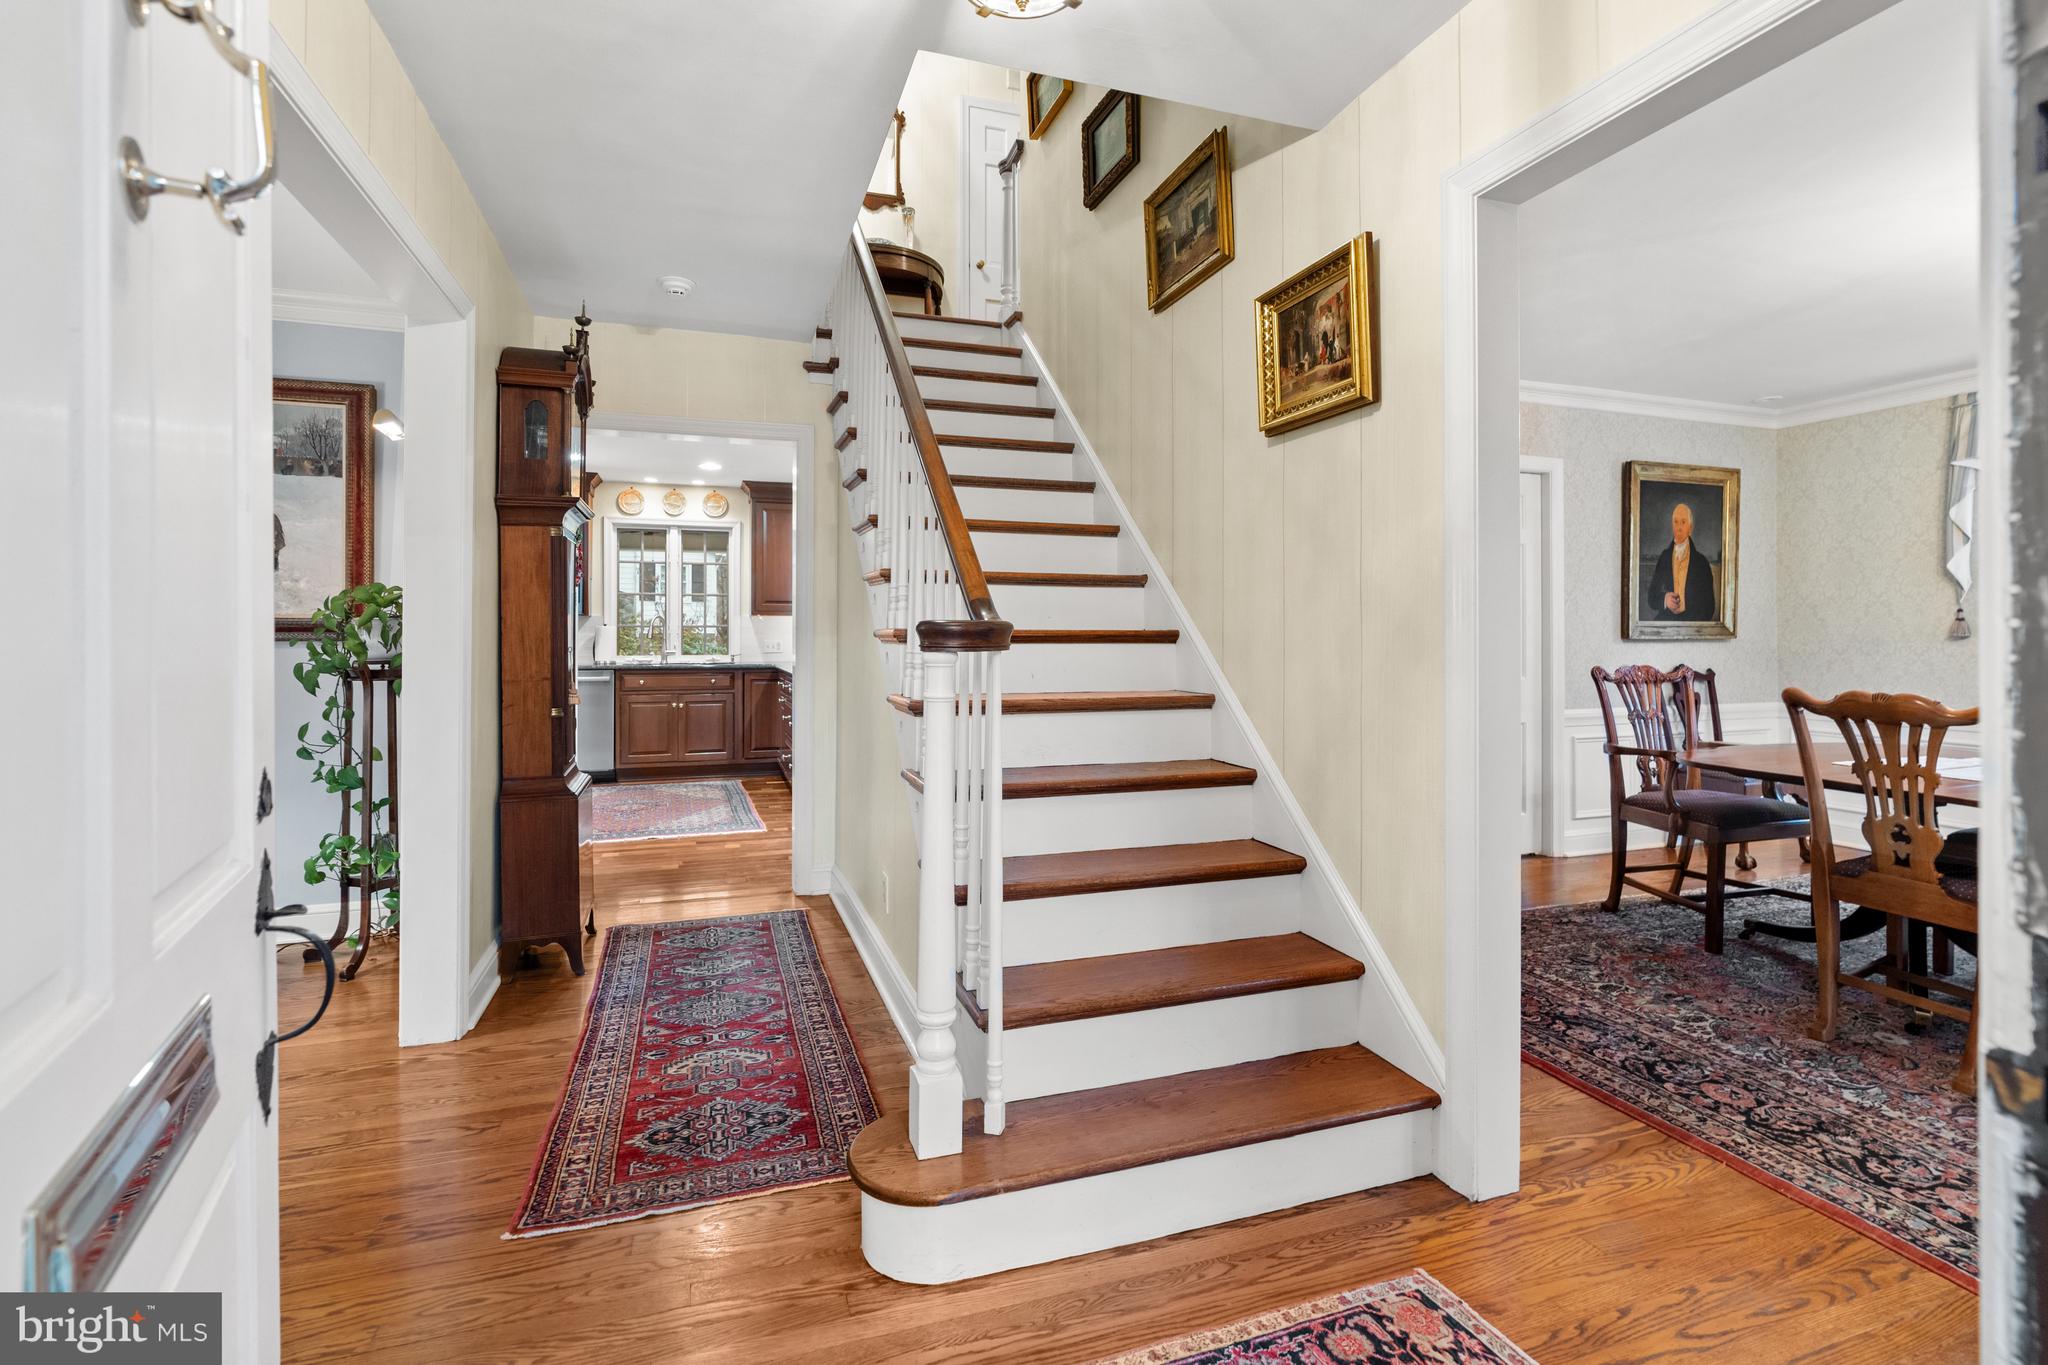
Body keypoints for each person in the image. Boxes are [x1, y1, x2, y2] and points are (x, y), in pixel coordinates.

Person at [1645, 501, 1717, 621]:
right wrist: (1665, 600)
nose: (1679, 527)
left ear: (1690, 527)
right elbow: (1651, 598)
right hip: (1667, 620)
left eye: (1683, 522)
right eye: (1676, 522)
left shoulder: (1701, 563)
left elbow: (1709, 607)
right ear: (1672, 526)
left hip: (1692, 623)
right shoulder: (1664, 557)